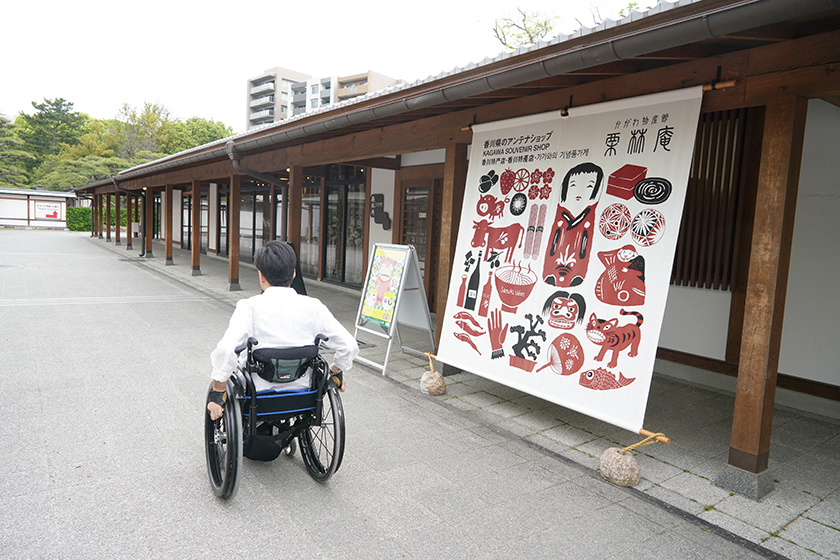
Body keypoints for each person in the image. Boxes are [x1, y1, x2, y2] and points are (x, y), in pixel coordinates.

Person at [207, 241, 359, 420]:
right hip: (304, 394)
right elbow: (349, 346)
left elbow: (226, 350)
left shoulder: (249, 307)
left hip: (257, 395)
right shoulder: (314, 306)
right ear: (294, 273)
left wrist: (218, 390)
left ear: (261, 276)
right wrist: (334, 370)